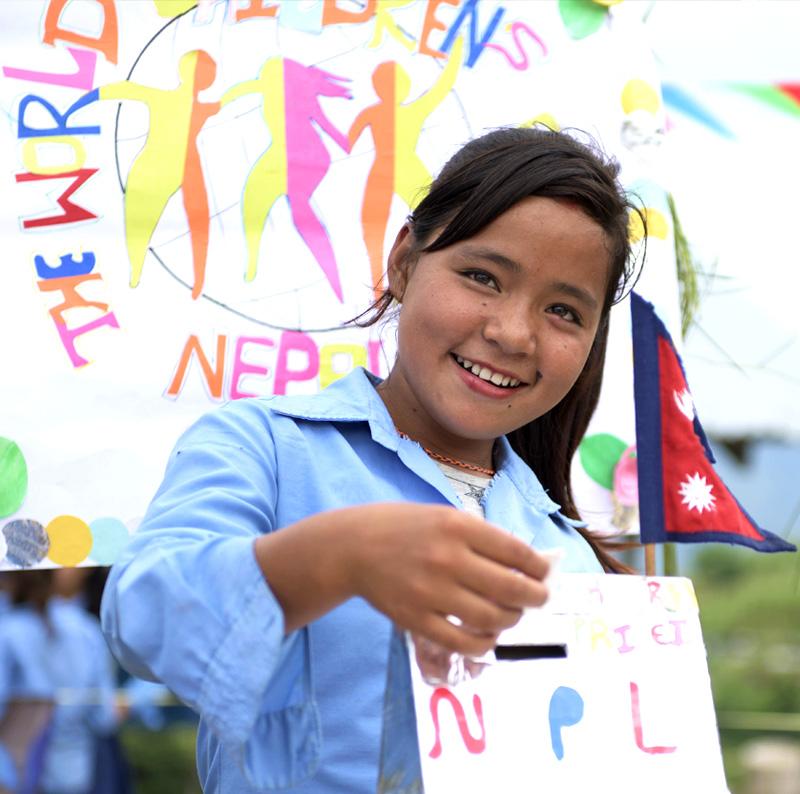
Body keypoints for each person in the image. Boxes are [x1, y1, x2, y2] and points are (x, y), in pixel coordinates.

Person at [101, 126, 642, 793]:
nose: (512, 332)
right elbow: (141, 616)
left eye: (563, 310)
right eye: (482, 276)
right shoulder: (263, 445)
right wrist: (334, 559)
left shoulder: (569, 551)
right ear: (405, 261)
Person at [0, 570, 119, 794]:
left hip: (14, 775)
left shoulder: (7, 631)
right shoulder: (87, 629)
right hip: (74, 774)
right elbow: (104, 717)